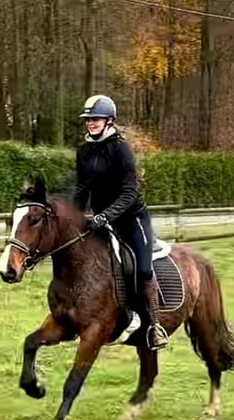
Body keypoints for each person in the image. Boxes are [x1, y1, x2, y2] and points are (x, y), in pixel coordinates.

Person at [75, 94, 169, 351]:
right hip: (100, 220)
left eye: (95, 119)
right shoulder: (84, 151)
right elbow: (83, 189)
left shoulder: (121, 149)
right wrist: (75, 216)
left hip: (131, 219)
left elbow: (130, 193)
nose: (91, 123)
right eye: (88, 119)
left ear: (109, 121)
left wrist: (106, 215)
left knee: (142, 269)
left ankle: (152, 324)